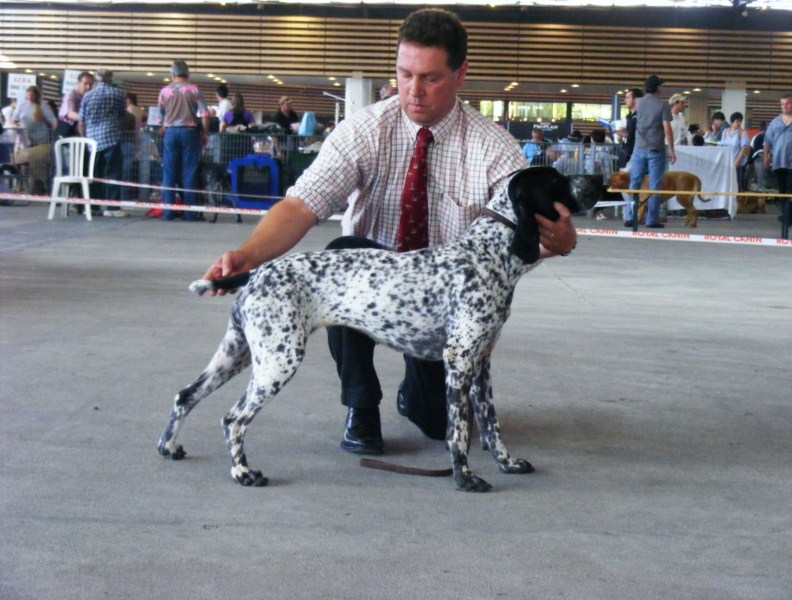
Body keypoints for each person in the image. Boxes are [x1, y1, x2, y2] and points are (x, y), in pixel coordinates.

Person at [200, 8, 577, 456]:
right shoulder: (363, 129)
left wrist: (562, 243)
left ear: (461, 75)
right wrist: (249, 255)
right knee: (342, 252)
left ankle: (413, 396)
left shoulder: (495, 148)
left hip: (442, 298)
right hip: (367, 284)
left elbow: (524, 238)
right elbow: (303, 205)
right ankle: (361, 406)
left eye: (431, 78)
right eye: (404, 74)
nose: (413, 91)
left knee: (437, 423)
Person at [157, 60, 211, 221]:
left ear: (172, 74)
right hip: (190, 133)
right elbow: (205, 115)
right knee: (190, 171)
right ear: (188, 74)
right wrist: (205, 134)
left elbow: (160, 119)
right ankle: (190, 213)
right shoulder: (194, 90)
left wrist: (165, 128)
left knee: (169, 172)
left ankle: (168, 212)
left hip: (171, 133)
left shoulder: (165, 91)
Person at [79, 68, 129, 217]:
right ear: (111, 79)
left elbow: (82, 121)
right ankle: (112, 208)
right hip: (111, 137)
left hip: (92, 140)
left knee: (94, 174)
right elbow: (122, 115)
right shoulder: (118, 94)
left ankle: (94, 207)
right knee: (113, 173)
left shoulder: (88, 95)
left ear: (96, 79)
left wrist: (85, 137)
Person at [628, 74, 676, 228]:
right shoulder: (663, 105)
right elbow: (667, 129)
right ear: (657, 88)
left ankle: (630, 216)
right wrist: (672, 150)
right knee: (654, 185)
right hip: (656, 149)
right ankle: (651, 220)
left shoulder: (638, 103)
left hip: (639, 148)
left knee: (635, 182)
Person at [9, 86, 57, 193]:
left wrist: (54, 133)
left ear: (37, 95)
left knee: (38, 162)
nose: (31, 96)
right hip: (25, 138)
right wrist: (18, 125)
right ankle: (20, 186)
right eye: (29, 94)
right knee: (19, 159)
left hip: (41, 139)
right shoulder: (21, 105)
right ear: (26, 95)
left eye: (33, 94)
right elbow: (14, 119)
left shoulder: (43, 106)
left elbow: (53, 121)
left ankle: (39, 185)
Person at [763, 94, 792, 228]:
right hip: (778, 162)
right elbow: (767, 142)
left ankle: (787, 217)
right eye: (782, 104)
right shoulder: (775, 122)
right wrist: (766, 157)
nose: (784, 106)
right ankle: (788, 214)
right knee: (783, 191)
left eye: (787, 104)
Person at [615, 87, 643, 226]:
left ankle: (631, 214)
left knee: (628, 184)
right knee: (627, 185)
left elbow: (633, 136)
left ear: (635, 99)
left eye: (628, 97)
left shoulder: (640, 116)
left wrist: (620, 133)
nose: (625, 99)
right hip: (627, 152)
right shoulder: (630, 117)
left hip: (633, 154)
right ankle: (630, 213)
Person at [57, 71, 94, 139]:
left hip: (79, 128)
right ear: (78, 83)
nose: (88, 87)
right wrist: (87, 118)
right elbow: (71, 114)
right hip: (66, 128)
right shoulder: (71, 95)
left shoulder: (88, 97)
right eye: (85, 83)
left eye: (90, 84)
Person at [720, 111, 750, 191]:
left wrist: (737, 161)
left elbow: (744, 148)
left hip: (737, 163)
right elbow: (722, 146)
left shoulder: (742, 133)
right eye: (737, 121)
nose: (739, 123)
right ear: (732, 121)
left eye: (740, 121)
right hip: (727, 162)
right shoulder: (725, 132)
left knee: (737, 183)